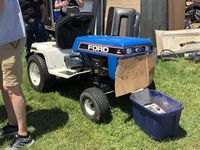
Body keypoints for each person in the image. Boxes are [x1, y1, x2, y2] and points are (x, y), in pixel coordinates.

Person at [0, 0, 34, 149]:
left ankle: (24, 135)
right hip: (5, 38)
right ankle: (13, 125)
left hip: (8, 39)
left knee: (12, 87)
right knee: (4, 85)